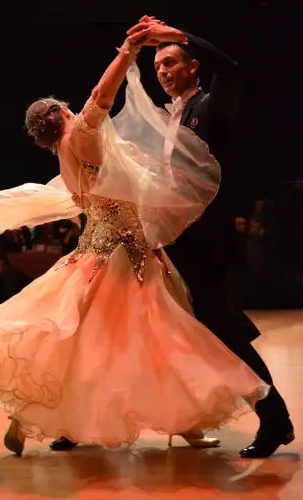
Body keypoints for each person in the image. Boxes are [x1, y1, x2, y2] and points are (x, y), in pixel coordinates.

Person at [0, 23, 269, 457]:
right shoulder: (81, 136)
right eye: (70, 110)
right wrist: (128, 51)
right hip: (125, 257)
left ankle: (29, 417)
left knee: (78, 346)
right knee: (164, 341)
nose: (80, 111)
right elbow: (101, 98)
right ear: (62, 116)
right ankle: (184, 422)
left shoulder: (65, 156)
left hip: (90, 258)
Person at [126, 15, 293, 458]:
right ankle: (193, 420)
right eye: (157, 66)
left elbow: (233, 69)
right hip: (178, 241)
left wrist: (177, 35)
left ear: (193, 66)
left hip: (209, 242)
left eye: (171, 62)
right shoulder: (170, 118)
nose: (162, 72)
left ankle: (274, 419)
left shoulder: (212, 104)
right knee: (189, 332)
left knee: (224, 334)